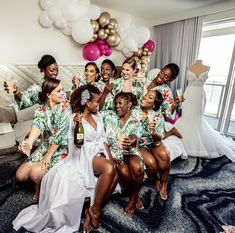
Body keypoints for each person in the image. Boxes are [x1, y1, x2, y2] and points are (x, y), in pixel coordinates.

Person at [13, 84, 119, 233]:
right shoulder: (74, 118)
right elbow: (77, 144)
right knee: (110, 168)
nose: (99, 104)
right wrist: (78, 125)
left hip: (97, 152)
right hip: (83, 155)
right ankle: (95, 211)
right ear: (87, 103)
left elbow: (103, 139)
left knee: (114, 169)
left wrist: (110, 156)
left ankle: (94, 210)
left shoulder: (98, 115)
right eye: (96, 101)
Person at [15, 78, 71, 200]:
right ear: (49, 95)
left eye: (62, 90)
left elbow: (60, 135)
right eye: (59, 91)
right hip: (46, 145)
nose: (63, 93)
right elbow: (38, 124)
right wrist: (29, 142)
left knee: (35, 173)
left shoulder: (66, 107)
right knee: (20, 176)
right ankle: (40, 178)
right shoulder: (42, 109)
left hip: (61, 148)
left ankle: (40, 185)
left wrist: (48, 155)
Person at [174, 60, 235, 161]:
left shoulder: (207, 67)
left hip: (199, 95)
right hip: (188, 95)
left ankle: (198, 144)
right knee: (186, 117)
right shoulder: (189, 67)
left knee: (197, 118)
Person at [138, 90, 187, 200]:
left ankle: (164, 184)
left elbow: (158, 139)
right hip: (139, 143)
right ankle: (156, 178)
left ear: (154, 104)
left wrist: (153, 131)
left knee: (164, 155)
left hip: (153, 141)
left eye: (150, 97)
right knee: (152, 165)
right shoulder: (134, 111)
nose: (145, 97)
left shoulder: (157, 116)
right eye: (146, 95)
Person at [103, 92, 145, 216]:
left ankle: (132, 200)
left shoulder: (135, 120)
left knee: (138, 167)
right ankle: (135, 195)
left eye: (120, 103)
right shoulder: (108, 116)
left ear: (129, 104)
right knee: (125, 172)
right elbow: (95, 112)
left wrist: (130, 140)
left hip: (130, 151)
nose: (117, 106)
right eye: (116, 103)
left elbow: (137, 134)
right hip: (115, 153)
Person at [147, 63, 184, 139]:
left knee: (150, 138)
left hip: (152, 116)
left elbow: (169, 113)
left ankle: (171, 131)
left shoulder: (166, 91)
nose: (161, 76)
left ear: (169, 80)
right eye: (162, 72)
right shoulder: (150, 76)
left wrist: (176, 103)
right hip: (140, 111)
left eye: (166, 77)